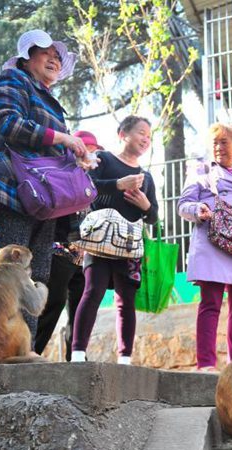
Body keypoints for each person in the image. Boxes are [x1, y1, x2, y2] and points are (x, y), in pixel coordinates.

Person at [0, 29, 87, 342]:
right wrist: (64, 138)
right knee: (9, 270)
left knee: (36, 276)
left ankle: (23, 354)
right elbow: (8, 122)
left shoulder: (51, 100)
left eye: (57, 56)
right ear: (27, 58)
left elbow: (51, 149)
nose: (54, 59)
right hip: (13, 187)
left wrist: (77, 156)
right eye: (45, 52)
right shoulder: (12, 79)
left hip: (45, 197)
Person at [178, 123, 232, 371]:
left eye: (224, 142)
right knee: (210, 304)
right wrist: (198, 210)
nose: (218, 147)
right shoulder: (202, 170)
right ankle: (206, 364)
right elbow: (183, 204)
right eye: (215, 142)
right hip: (214, 244)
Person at [70, 117, 159, 363]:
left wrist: (146, 205)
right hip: (99, 241)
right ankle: (77, 354)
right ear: (123, 134)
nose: (145, 139)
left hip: (129, 247)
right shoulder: (104, 159)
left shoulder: (146, 177)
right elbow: (87, 187)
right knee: (92, 292)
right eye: (141, 132)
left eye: (149, 136)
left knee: (125, 301)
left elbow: (153, 217)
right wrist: (118, 184)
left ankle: (125, 360)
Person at [34, 130, 103, 361]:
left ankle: (76, 358)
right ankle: (31, 352)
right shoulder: (63, 172)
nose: (93, 155)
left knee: (80, 310)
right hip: (60, 249)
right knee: (52, 303)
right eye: (90, 149)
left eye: (95, 151)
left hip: (84, 254)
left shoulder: (92, 179)